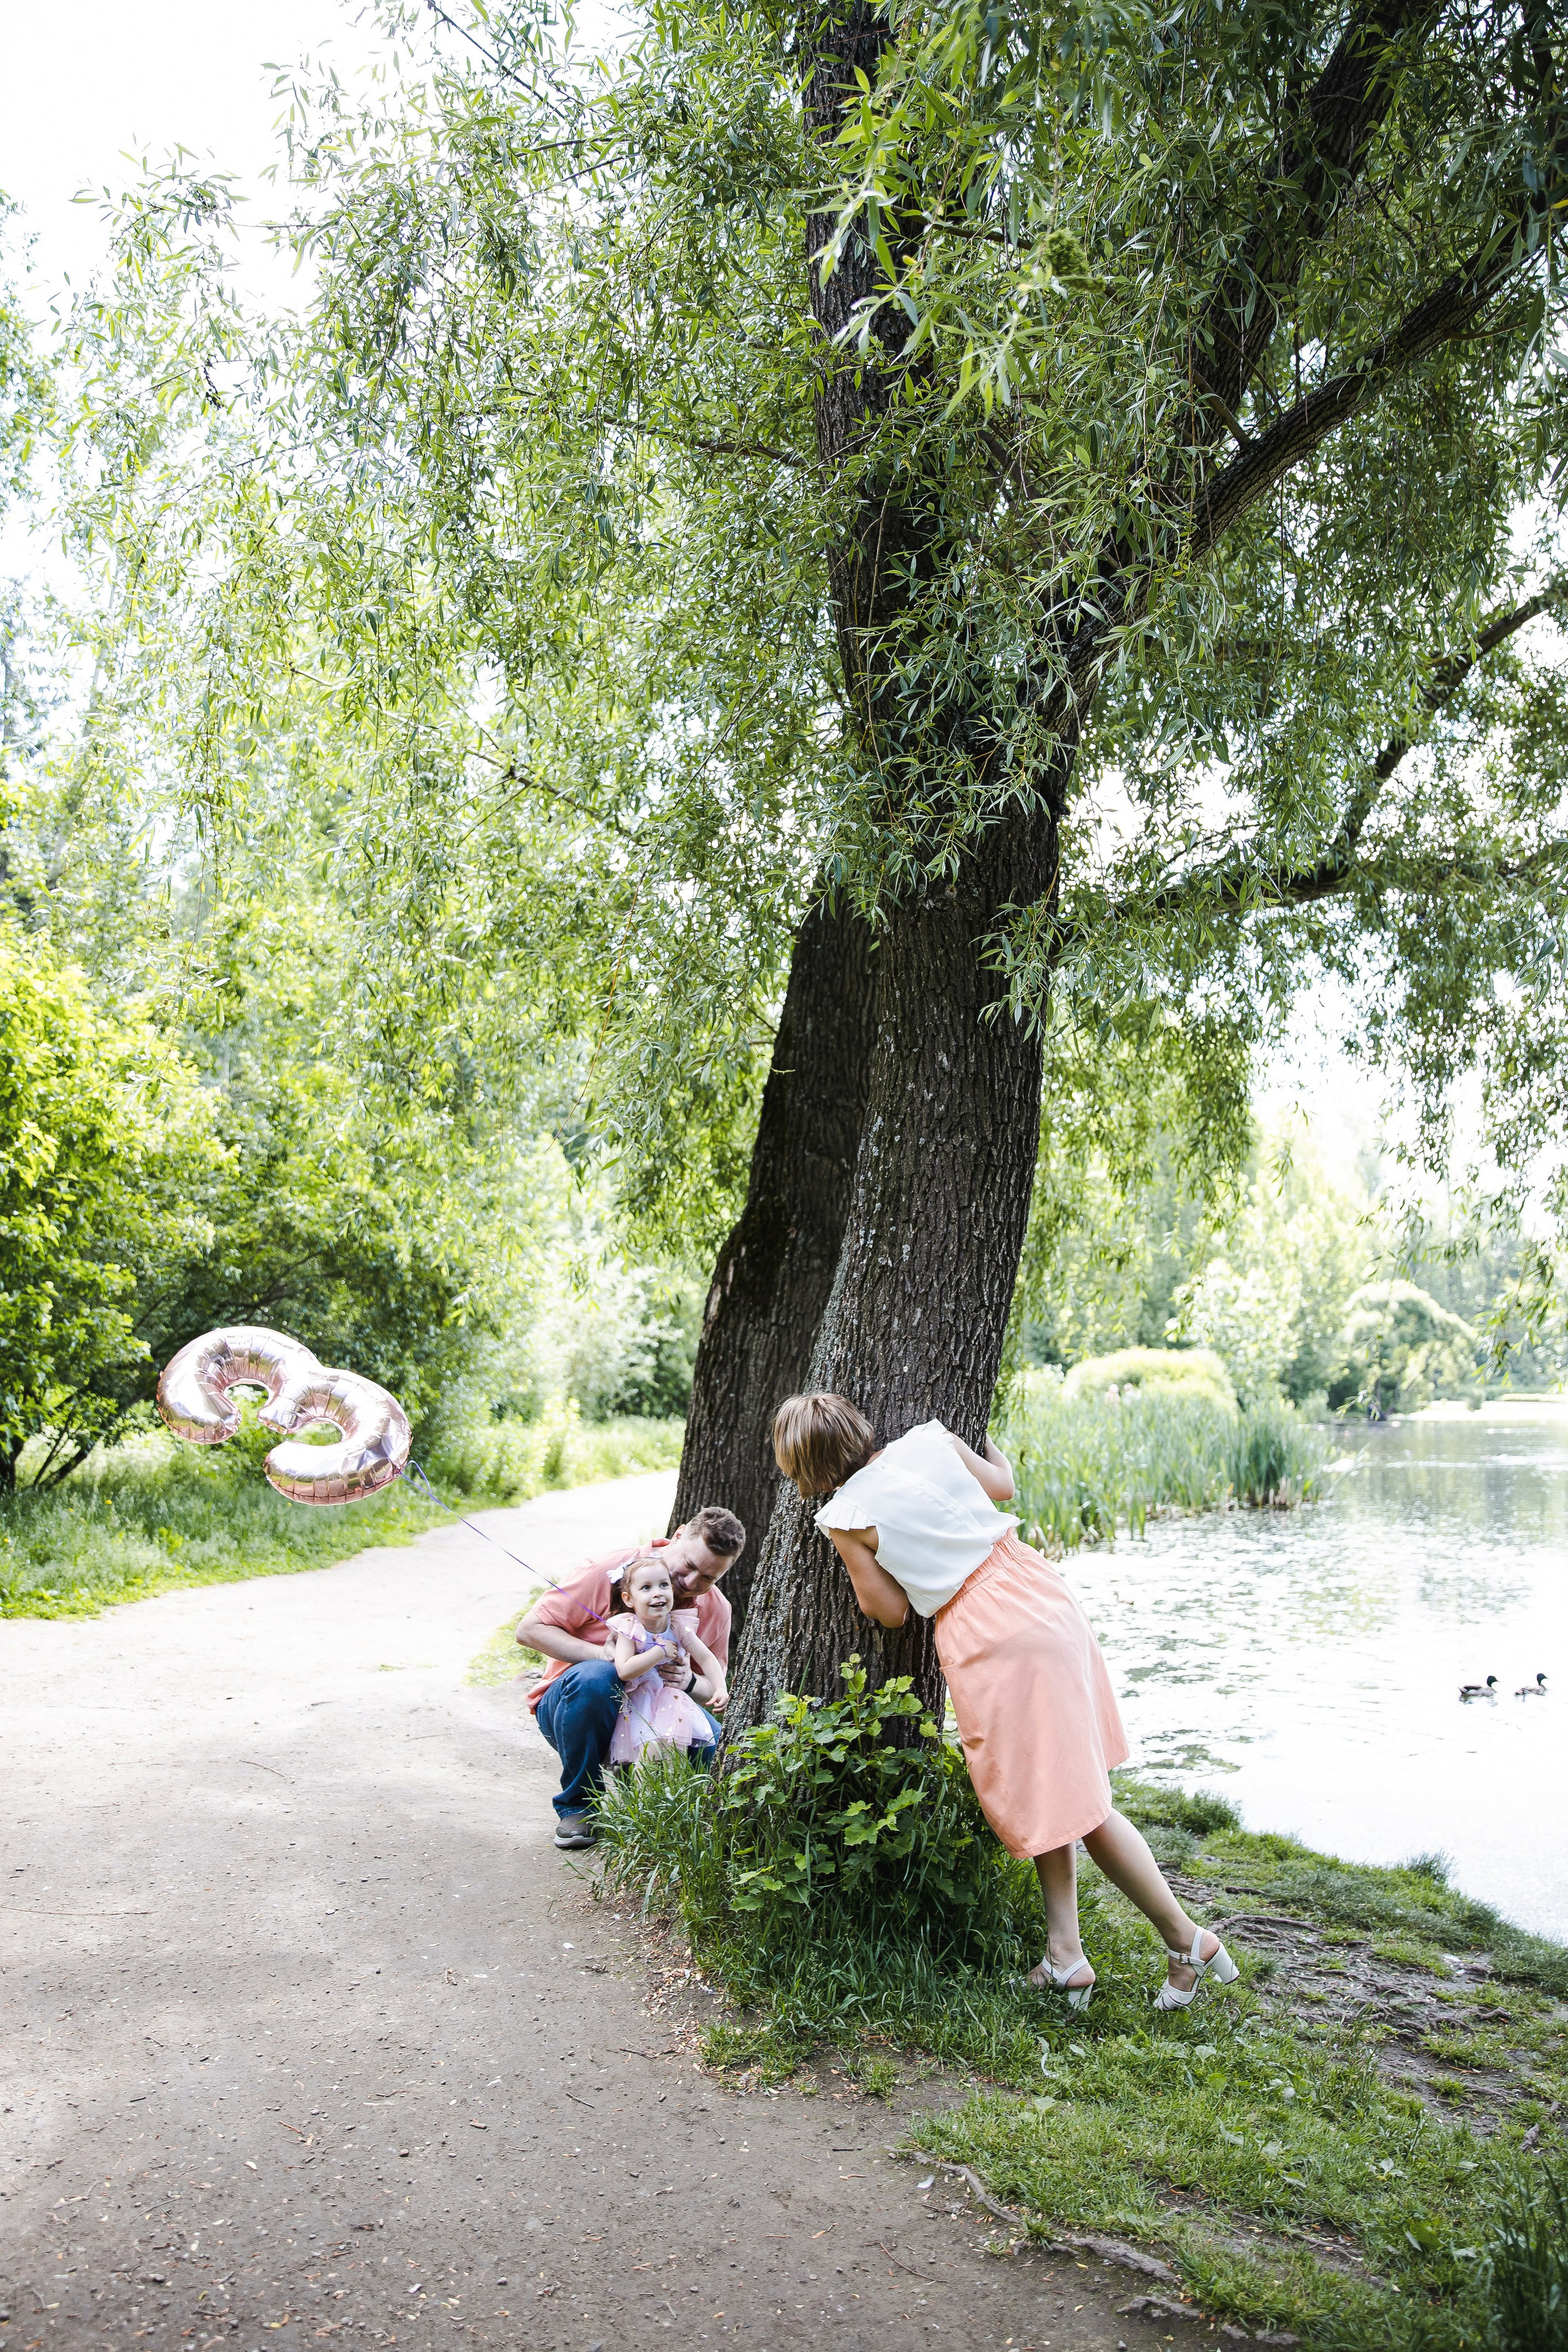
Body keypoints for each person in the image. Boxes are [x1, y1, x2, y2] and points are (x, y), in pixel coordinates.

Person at [772, 1395, 1238, 2011]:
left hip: (987, 1629)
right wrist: (988, 1446)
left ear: (802, 1464)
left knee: (1080, 1804)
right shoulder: (930, 1439)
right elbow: (1003, 1485)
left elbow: (886, 1612)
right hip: (1035, 1588)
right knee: (1054, 1791)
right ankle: (1065, 1954)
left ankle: (1186, 1941)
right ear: (857, 1426)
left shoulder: (845, 1514)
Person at [517, 1506, 745, 1849]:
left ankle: (670, 1822)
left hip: (654, 1711)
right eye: (690, 1566)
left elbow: (714, 1688)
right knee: (599, 1677)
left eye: (709, 1578)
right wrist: (601, 1655)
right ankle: (579, 1807)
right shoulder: (607, 1571)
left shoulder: (715, 1608)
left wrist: (690, 1682)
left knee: (716, 1744)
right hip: (578, 1708)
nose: (692, 1584)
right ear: (678, 1535)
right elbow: (529, 1630)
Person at [608, 1551, 729, 1766]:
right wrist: (659, 1652)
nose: (657, 1594)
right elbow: (624, 1670)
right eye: (646, 1588)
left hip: (671, 1701)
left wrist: (720, 1688)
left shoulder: (678, 1626)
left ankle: (666, 1793)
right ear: (629, 1599)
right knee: (645, 1754)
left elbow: (707, 1658)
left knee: (674, 1753)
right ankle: (638, 1793)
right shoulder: (630, 1629)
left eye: (664, 1585)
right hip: (639, 1701)